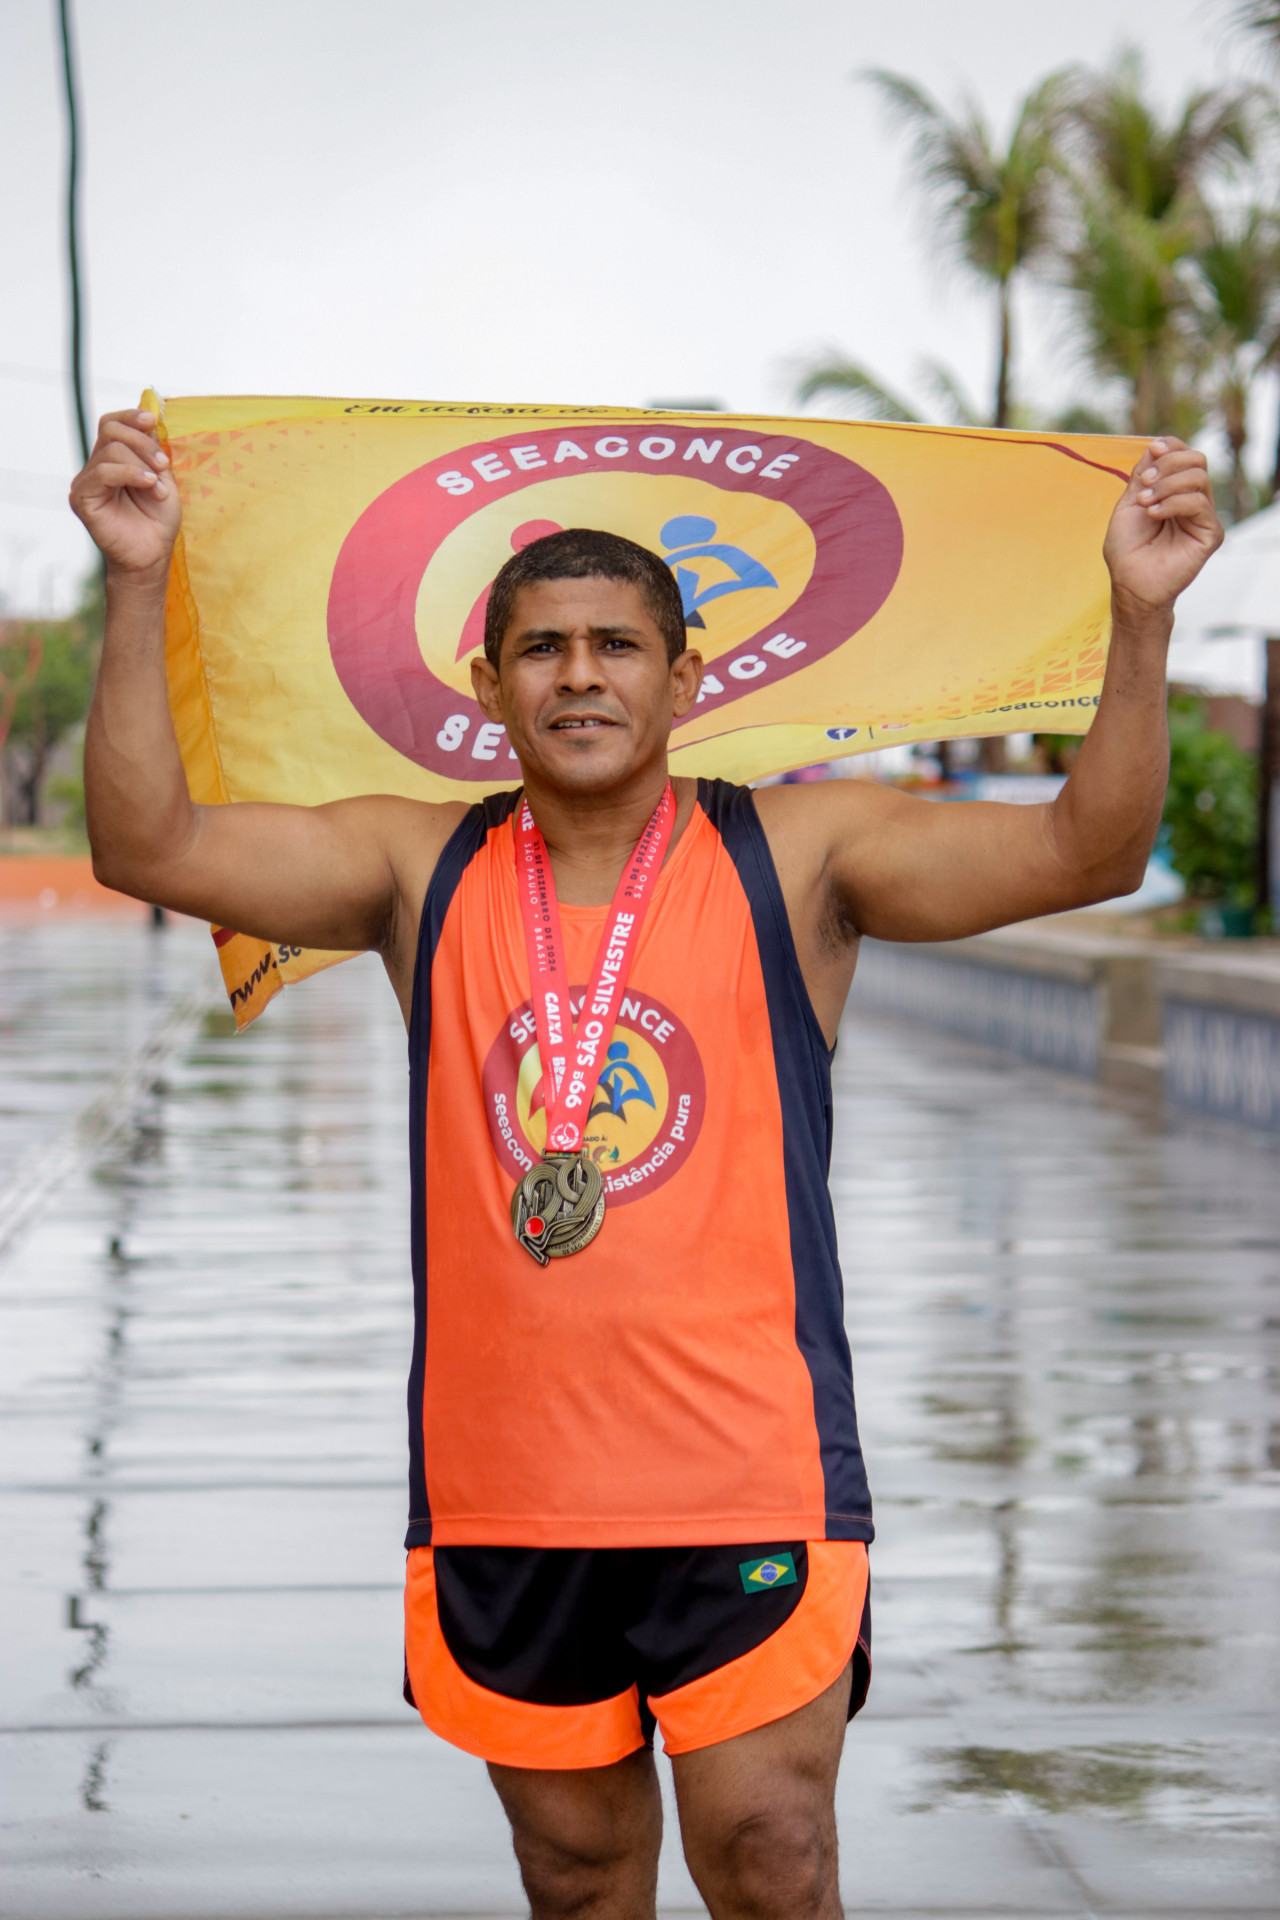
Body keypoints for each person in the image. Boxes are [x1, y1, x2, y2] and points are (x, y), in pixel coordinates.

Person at [71, 410, 1221, 1920]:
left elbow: (1088, 849)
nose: (582, 675)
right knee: (578, 1877)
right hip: (508, 1490)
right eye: (542, 648)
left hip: (747, 1476)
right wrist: (140, 580)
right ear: (489, 688)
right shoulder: (418, 866)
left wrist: (1141, 617)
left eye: (618, 644)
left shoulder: (798, 860)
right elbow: (145, 843)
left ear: (689, 678)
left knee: (770, 1857)